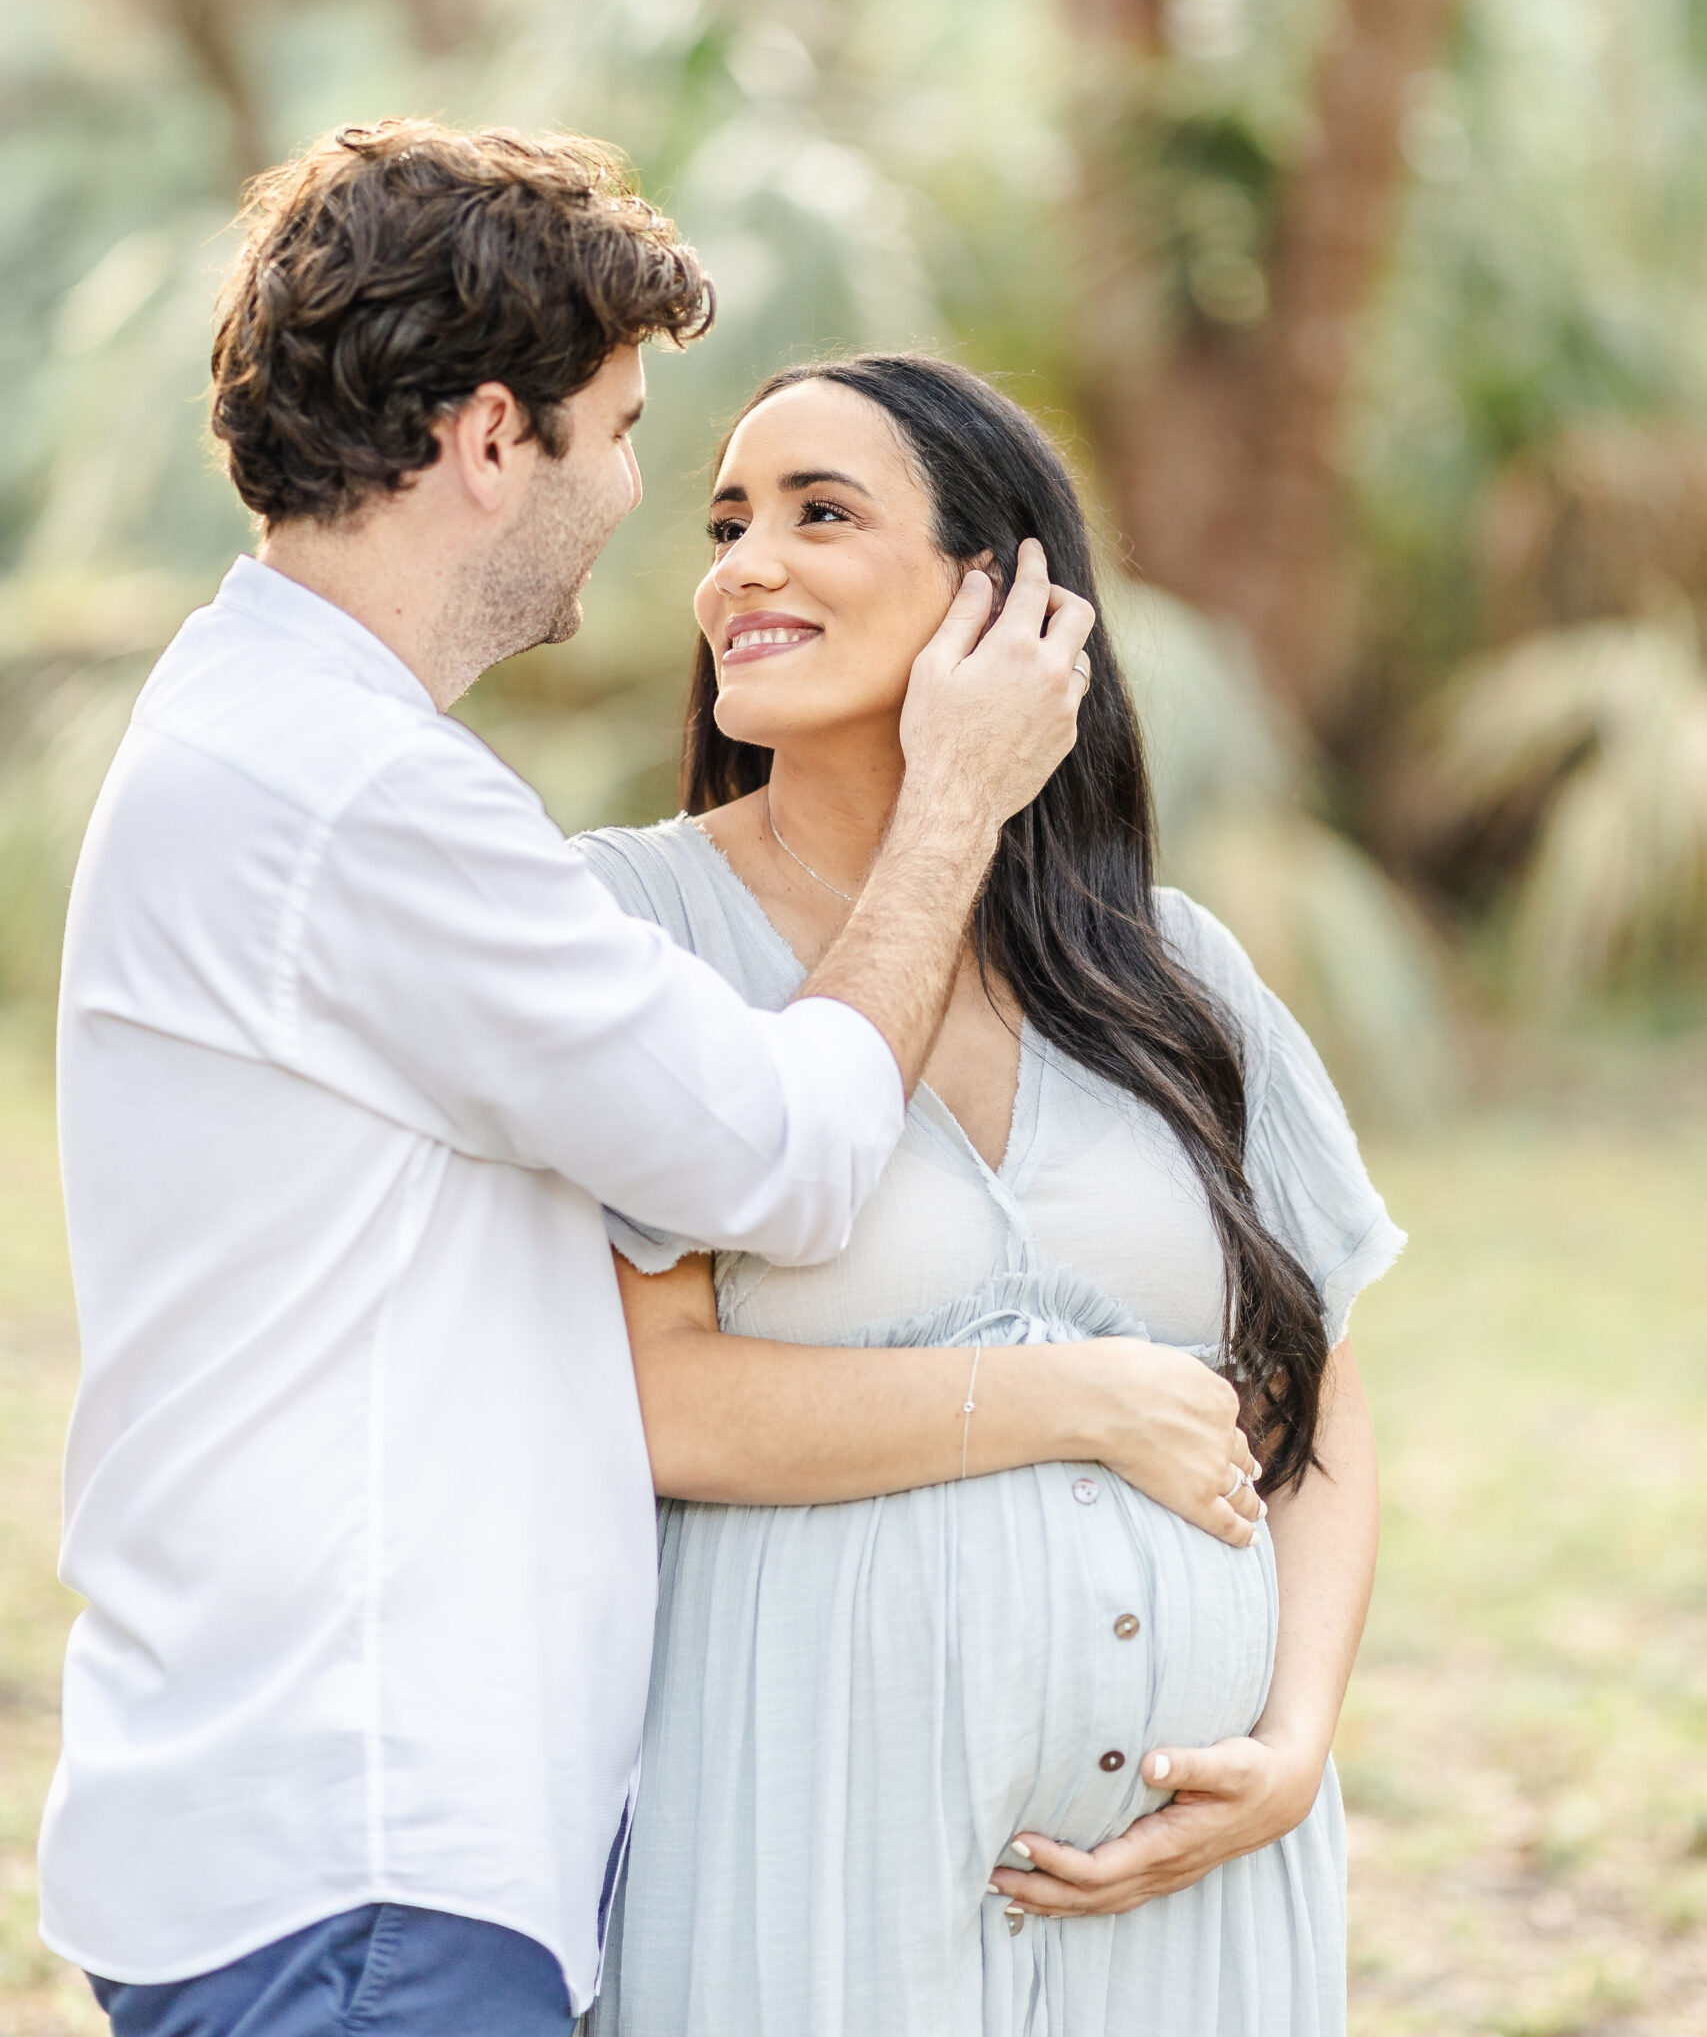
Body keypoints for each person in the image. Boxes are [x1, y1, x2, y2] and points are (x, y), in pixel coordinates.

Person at [38, 123, 1103, 2037]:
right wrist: (955, 799)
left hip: (337, 1857)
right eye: (622, 435)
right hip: (359, 1884)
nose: (634, 496)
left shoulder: (275, 740)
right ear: (490, 440)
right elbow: (775, 1156)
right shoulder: (353, 797)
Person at [578, 353, 1406, 2037]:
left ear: (1003, 596)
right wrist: (1075, 1400)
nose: (743, 564)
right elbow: (658, 1404)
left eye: (822, 514)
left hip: (1201, 1881)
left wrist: (1294, 1740)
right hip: (811, 1838)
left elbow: (1309, 1398)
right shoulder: (629, 929)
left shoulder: (1176, 971)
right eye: (728, 520)